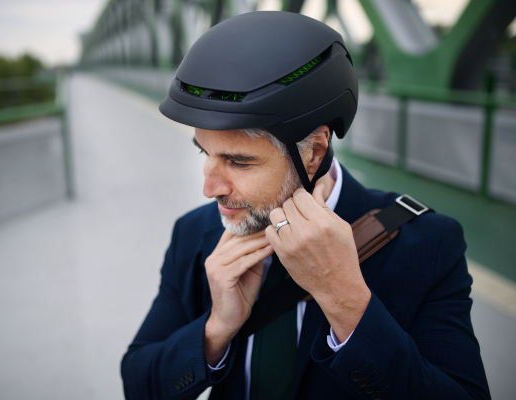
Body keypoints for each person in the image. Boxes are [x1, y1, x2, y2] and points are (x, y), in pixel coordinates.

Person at [121, 11, 490, 400]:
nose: (209, 189)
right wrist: (215, 330)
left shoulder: (429, 244)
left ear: (314, 151)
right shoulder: (195, 233)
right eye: (205, 153)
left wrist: (345, 301)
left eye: (238, 161)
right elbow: (138, 384)